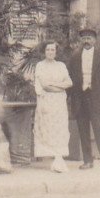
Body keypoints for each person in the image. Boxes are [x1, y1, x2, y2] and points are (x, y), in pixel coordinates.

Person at [67, 27, 100, 173]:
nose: (86, 41)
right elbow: (69, 80)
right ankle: (88, 161)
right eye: (83, 38)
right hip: (80, 99)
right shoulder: (74, 58)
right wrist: (66, 99)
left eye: (89, 38)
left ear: (94, 41)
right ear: (80, 41)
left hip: (99, 100)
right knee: (83, 131)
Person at [33, 41, 74, 173]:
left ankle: (59, 158)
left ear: (56, 52)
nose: (50, 52)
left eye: (52, 50)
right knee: (48, 128)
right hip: (47, 102)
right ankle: (54, 157)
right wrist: (58, 87)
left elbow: (69, 83)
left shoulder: (61, 65)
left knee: (60, 128)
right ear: (44, 51)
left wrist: (53, 85)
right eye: (48, 50)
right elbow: (44, 86)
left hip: (59, 103)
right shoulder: (40, 66)